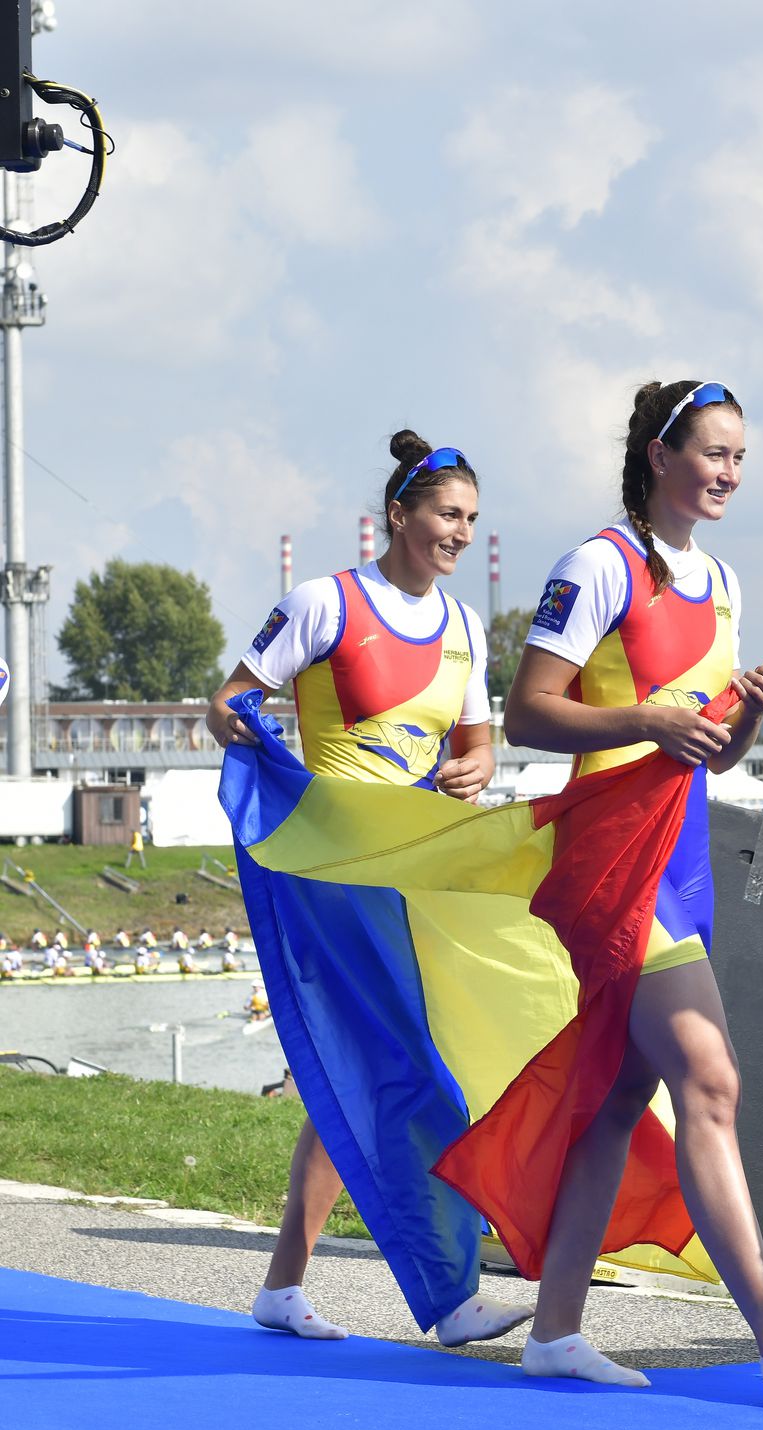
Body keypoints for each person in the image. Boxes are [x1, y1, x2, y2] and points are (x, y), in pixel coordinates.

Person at [501, 380, 763, 1394]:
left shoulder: (722, 582)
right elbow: (527, 715)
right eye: (713, 453)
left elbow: (707, 757)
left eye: (740, 459)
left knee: (623, 1094)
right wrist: (648, 722)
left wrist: (741, 717)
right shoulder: (598, 566)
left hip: (682, 855)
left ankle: (554, 1331)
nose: (728, 474)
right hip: (609, 862)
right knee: (709, 1079)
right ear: (660, 454)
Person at [207, 428, 532, 1349]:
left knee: (354, 1074)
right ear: (399, 514)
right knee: (416, 1074)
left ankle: (282, 1286)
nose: (460, 533)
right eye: (446, 514)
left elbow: (478, 746)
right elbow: (229, 705)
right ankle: (453, 1293)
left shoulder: (467, 629)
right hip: (334, 872)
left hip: (418, 873)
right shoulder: (324, 603)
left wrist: (472, 770)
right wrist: (289, 782)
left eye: (472, 519)